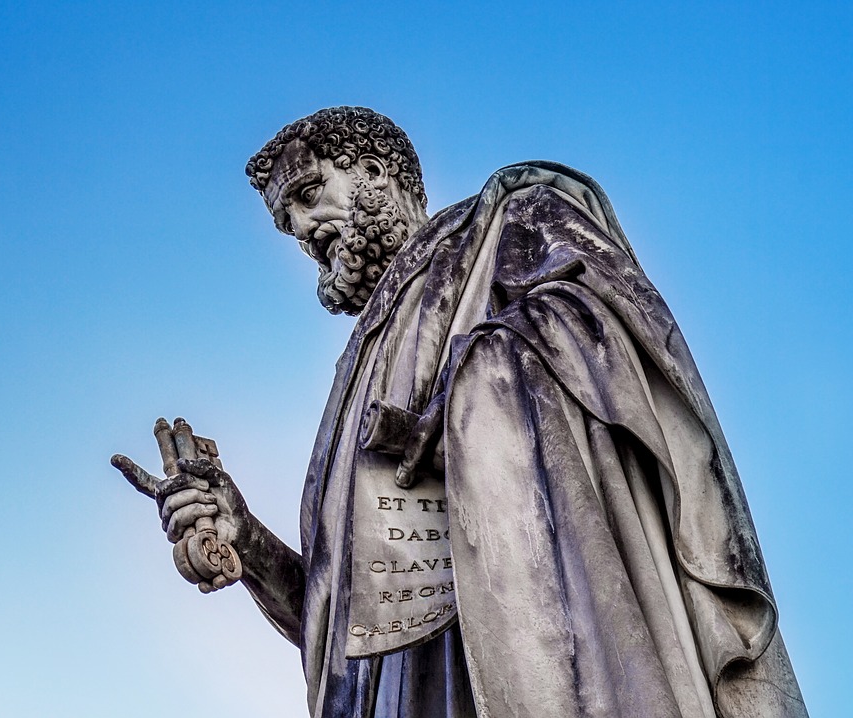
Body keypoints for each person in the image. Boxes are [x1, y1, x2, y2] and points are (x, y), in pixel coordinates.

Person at [111, 107, 807, 718]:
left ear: (376, 172)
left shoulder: (503, 224)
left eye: (308, 194)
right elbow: (356, 640)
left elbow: (616, 334)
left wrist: (477, 404)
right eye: (286, 223)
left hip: (540, 648)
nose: (301, 230)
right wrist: (248, 541)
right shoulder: (352, 377)